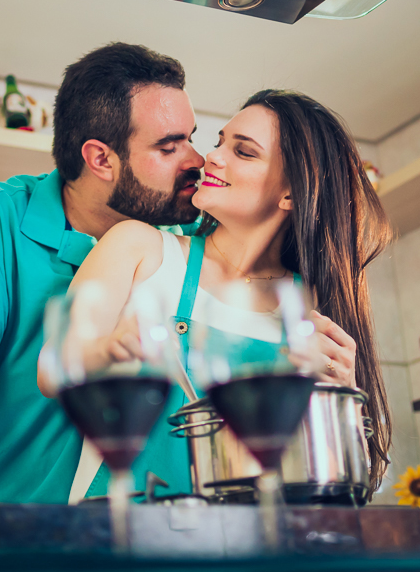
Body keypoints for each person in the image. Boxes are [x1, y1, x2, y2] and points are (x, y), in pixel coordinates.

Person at [38, 89, 393, 497]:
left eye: (243, 152)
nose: (212, 158)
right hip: (121, 538)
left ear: (291, 193)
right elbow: (51, 369)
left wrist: (341, 395)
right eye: (220, 142)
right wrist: (110, 350)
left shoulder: (310, 308)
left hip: (253, 549)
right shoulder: (140, 248)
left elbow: (350, 485)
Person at [0, 43, 205, 503]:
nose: (196, 160)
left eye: (193, 138)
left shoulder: (190, 236)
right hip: (9, 539)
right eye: (168, 146)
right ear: (101, 159)